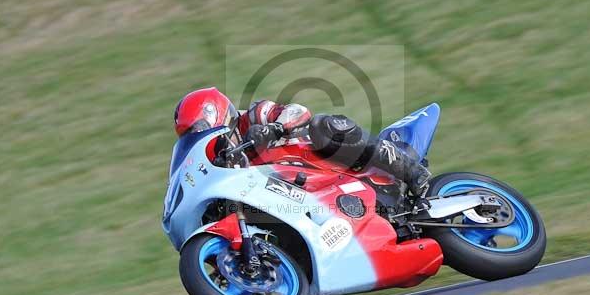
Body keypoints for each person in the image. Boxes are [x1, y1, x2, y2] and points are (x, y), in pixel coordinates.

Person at [173, 87, 431, 197]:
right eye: (191, 133)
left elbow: (299, 111)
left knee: (323, 125)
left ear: (214, 113)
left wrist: (274, 128)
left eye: (199, 127)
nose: (198, 133)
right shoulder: (223, 162)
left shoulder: (252, 116)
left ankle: (411, 169)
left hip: (323, 160)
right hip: (306, 195)